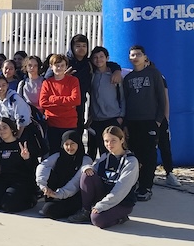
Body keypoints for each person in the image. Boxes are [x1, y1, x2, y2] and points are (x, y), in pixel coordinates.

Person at [70, 125, 140, 228]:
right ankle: (85, 211)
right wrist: (86, 168)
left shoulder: (130, 162)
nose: (109, 144)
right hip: (104, 197)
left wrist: (101, 206)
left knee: (97, 219)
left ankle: (121, 217)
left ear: (122, 140)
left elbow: (121, 190)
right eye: (106, 141)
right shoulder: (105, 157)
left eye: (113, 141)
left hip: (121, 202)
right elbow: (92, 170)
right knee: (87, 174)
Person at [122, 45, 168, 201]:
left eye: (138, 54)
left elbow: (161, 98)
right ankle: (134, 185)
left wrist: (158, 120)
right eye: (132, 55)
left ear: (145, 57)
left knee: (148, 156)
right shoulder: (128, 78)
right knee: (134, 156)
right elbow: (126, 101)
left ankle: (146, 187)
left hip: (149, 121)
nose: (135, 57)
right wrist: (125, 124)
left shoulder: (154, 74)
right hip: (132, 122)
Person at [0, 118, 38, 213]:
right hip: (4, 179)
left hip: (20, 180)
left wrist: (27, 158)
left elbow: (33, 167)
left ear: (12, 129)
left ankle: (31, 200)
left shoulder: (23, 145)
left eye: (5, 127)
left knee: (8, 206)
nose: (2, 131)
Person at [35, 130, 92, 220]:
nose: (69, 147)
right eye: (66, 144)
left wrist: (58, 194)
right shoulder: (58, 156)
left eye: (73, 143)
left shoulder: (85, 160)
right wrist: (43, 186)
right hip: (55, 194)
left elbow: (75, 183)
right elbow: (42, 166)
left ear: (78, 143)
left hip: (72, 195)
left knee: (48, 209)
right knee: (47, 170)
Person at [87, 46, 125, 159]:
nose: (98, 59)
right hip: (96, 120)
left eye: (101, 56)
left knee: (112, 150)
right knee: (95, 150)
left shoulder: (115, 75)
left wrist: (121, 116)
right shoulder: (91, 75)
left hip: (113, 118)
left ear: (107, 58)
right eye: (95, 57)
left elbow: (123, 97)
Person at [38, 53, 81, 154]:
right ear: (51, 66)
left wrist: (53, 98)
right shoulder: (47, 83)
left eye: (62, 65)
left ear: (66, 66)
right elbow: (43, 103)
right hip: (52, 124)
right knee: (54, 153)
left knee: (70, 153)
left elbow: (76, 100)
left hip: (69, 123)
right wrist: (67, 105)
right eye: (57, 65)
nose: (59, 68)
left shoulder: (73, 80)